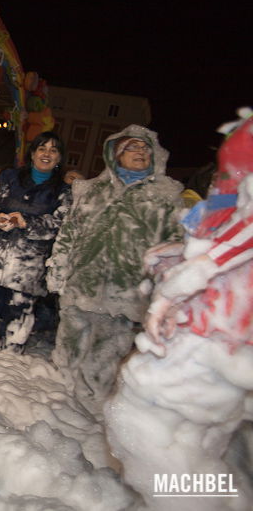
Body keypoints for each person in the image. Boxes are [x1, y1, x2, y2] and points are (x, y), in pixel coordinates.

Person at [105, 111, 253, 510]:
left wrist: (189, 276)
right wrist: (179, 256)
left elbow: (241, 232)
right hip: (215, 329)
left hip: (223, 333)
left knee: (154, 426)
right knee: (192, 437)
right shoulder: (228, 189)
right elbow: (223, 221)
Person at [47, 125, 183, 402]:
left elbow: (175, 248)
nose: (140, 152)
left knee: (105, 357)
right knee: (68, 347)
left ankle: (92, 404)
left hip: (126, 295)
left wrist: (164, 292)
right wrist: (57, 271)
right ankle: (58, 400)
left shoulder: (165, 196)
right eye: (132, 147)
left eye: (145, 148)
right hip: (81, 285)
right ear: (116, 155)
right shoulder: (94, 191)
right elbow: (69, 234)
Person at [0, 132, 72, 353]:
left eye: (53, 150)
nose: (46, 154)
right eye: (42, 148)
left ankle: (9, 364)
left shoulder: (63, 191)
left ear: (59, 158)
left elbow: (61, 224)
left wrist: (27, 223)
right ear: (32, 153)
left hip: (28, 269)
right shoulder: (9, 177)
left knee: (18, 322)